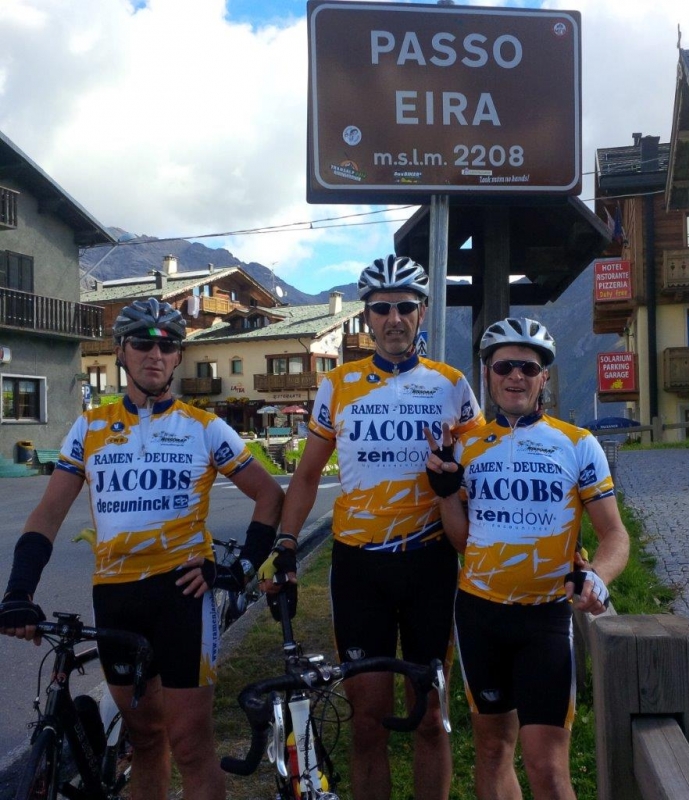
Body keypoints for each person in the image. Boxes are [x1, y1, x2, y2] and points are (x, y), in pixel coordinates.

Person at [0, 298, 284, 800]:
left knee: (191, 746)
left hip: (182, 597)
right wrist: (18, 590)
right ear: (121, 352)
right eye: (143, 343)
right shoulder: (89, 427)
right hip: (116, 598)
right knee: (147, 740)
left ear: (177, 357)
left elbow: (269, 495)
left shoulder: (204, 426)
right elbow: (47, 514)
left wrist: (239, 568)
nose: (155, 353)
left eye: (168, 345)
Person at [273, 255, 485, 800]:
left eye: (405, 307)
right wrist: (287, 546)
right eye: (382, 308)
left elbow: (484, 468)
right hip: (359, 567)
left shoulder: (451, 384)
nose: (394, 318)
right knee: (366, 717)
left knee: (428, 711)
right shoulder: (338, 385)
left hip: (429, 563)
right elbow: (306, 476)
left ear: (422, 313)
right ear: (366, 318)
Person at [424, 317, 630, 800]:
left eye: (528, 367)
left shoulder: (578, 444)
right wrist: (446, 496)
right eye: (504, 366)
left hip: (545, 620)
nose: (515, 375)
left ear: (543, 378)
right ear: (488, 373)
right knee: (493, 753)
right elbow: (461, 542)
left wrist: (598, 578)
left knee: (547, 765)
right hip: (480, 614)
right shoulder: (464, 445)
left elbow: (614, 535)